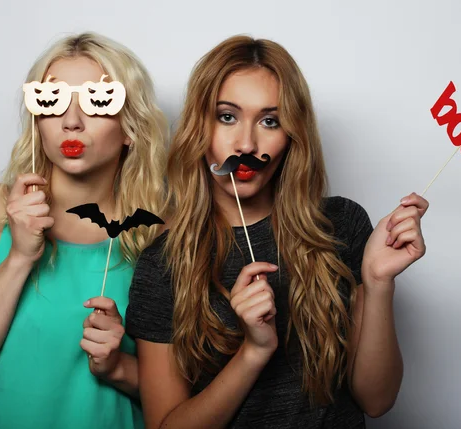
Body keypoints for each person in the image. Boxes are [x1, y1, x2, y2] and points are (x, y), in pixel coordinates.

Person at [126, 35, 429, 428]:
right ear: (199, 127)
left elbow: (376, 400)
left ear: (291, 136)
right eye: (227, 116)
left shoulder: (340, 226)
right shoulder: (163, 263)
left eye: (270, 121)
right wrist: (254, 350)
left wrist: (377, 282)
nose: (247, 143)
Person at [0, 32, 167, 428]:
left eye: (97, 102)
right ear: (38, 117)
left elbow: (184, 405)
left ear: (129, 127)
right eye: (52, 102)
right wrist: (19, 258)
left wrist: (119, 367)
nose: (71, 121)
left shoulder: (160, 232)